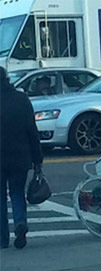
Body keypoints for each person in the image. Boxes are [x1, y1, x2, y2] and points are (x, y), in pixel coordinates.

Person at [0, 66, 44, 249]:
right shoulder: (21, 99)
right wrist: (38, 159)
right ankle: (20, 223)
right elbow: (32, 131)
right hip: (20, 155)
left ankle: (2, 238)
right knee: (17, 192)